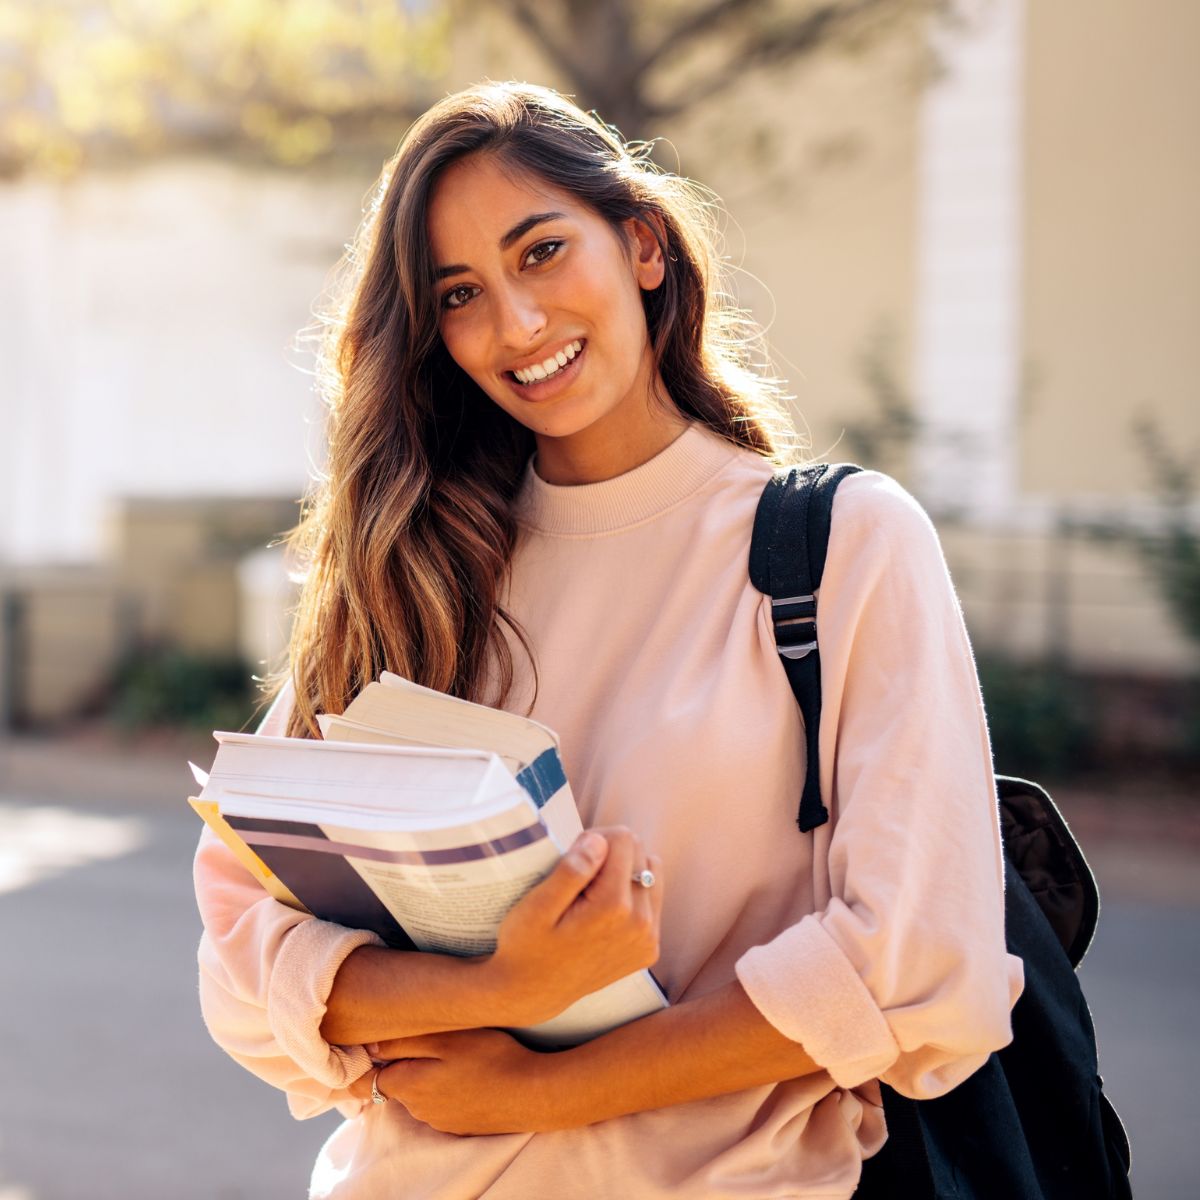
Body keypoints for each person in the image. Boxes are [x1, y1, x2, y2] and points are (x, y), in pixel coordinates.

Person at [193, 81, 1023, 1199]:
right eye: (460, 294)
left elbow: (917, 968)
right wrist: (506, 985)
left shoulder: (840, 547)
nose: (517, 326)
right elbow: (245, 963)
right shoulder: (415, 570)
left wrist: (538, 1089)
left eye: (541, 253)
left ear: (641, 244)